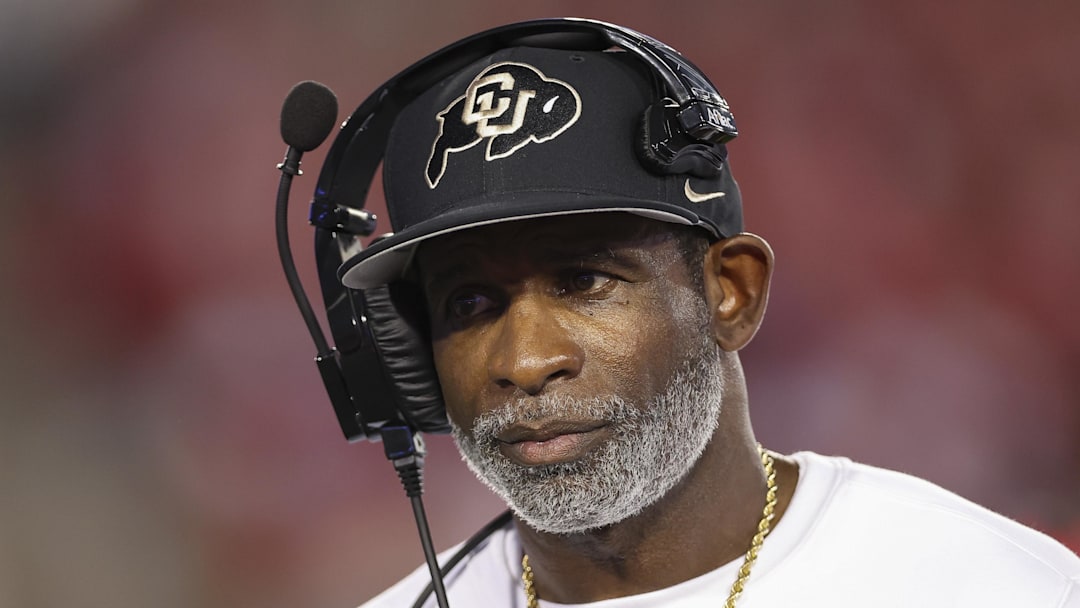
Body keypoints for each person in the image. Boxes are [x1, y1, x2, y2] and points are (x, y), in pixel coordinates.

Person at [328, 21, 1080, 608]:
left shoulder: (995, 587)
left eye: (584, 280)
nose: (524, 361)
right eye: (470, 303)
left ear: (733, 292)